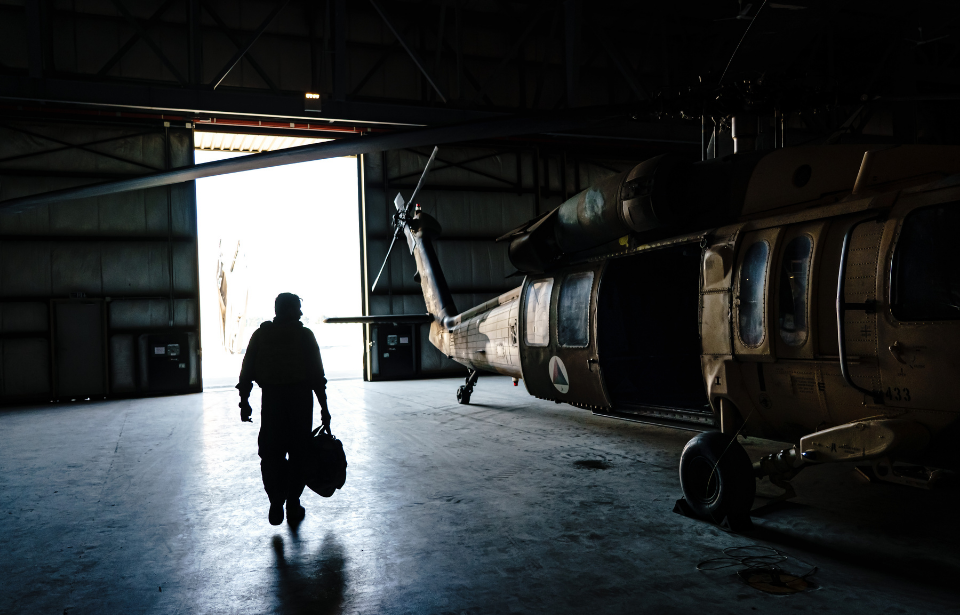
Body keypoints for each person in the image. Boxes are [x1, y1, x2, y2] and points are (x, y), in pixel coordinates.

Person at [238, 292, 331, 525]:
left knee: (271, 454)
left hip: (272, 403)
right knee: (300, 454)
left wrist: (244, 402)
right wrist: (324, 409)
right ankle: (293, 502)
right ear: (288, 310)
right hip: (300, 403)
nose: (300, 313)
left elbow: (246, 371)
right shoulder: (304, 336)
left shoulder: (260, 335)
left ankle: (276, 502)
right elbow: (317, 377)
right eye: (297, 308)